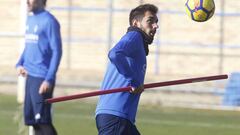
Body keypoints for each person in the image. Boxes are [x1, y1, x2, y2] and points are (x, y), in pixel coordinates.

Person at [95, 3, 159, 135]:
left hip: (120, 118)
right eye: (150, 21)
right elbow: (114, 54)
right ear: (136, 23)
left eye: (156, 22)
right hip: (116, 116)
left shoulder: (138, 44)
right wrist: (134, 80)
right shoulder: (134, 36)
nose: (155, 25)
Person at [16, 0, 62, 134]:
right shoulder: (30, 19)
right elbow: (29, 46)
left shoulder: (50, 21)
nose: (27, 2)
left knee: (43, 121)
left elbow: (57, 51)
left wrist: (49, 79)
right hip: (30, 77)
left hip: (41, 78)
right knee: (33, 122)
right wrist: (20, 63)